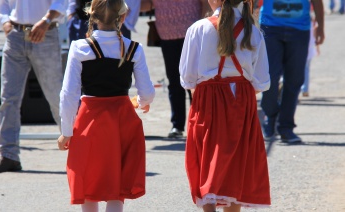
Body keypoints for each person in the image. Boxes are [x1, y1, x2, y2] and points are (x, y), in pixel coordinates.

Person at [57, 0, 155, 210]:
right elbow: (146, 92)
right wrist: (143, 102)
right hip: (122, 120)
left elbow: (68, 94)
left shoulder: (79, 48)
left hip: (89, 120)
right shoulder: (133, 49)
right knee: (117, 186)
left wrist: (66, 131)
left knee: (89, 183)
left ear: (92, 16)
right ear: (123, 17)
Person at [180, 0, 271, 211]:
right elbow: (261, 81)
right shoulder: (254, 32)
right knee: (237, 161)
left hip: (208, 97)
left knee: (207, 157)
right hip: (242, 98)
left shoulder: (198, 28)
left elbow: (187, 78)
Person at [0, 0, 68, 174]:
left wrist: (46, 20)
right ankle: (8, 155)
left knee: (56, 97)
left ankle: (78, 150)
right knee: (8, 98)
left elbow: (62, 1)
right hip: (15, 35)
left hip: (46, 32)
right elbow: (1, 2)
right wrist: (5, 22)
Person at [141, 0, 210, 138]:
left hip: (192, 35)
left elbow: (206, 3)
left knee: (195, 81)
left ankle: (198, 122)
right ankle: (177, 126)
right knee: (174, 80)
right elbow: (145, 5)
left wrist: (203, 27)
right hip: (167, 36)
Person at [259, 0, 325, 143]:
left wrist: (320, 26)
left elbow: (317, 1)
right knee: (268, 77)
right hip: (270, 28)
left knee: (294, 80)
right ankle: (270, 116)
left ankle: (286, 127)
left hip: (299, 30)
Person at [301, 17, 320, 97]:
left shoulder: (300, 23)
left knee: (298, 69)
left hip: (301, 49)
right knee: (306, 69)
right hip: (310, 49)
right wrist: (317, 47)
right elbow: (316, 37)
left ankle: (301, 88)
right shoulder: (313, 23)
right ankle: (305, 89)